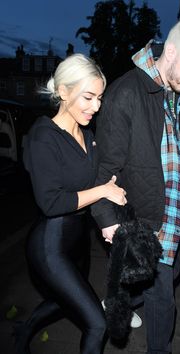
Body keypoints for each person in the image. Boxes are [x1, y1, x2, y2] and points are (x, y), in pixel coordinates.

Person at [91, 16, 180, 354]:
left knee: (171, 274)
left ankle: (121, 296)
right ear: (172, 51)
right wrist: (107, 218)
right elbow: (105, 167)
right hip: (143, 217)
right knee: (164, 298)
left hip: (174, 209)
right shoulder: (126, 93)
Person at [13, 53, 127, 354]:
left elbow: (100, 181)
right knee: (96, 322)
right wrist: (102, 191)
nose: (96, 107)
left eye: (99, 98)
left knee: (62, 302)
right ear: (63, 92)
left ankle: (22, 332)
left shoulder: (88, 135)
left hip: (78, 242)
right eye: (88, 97)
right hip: (49, 244)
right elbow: (52, 203)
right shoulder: (42, 137)